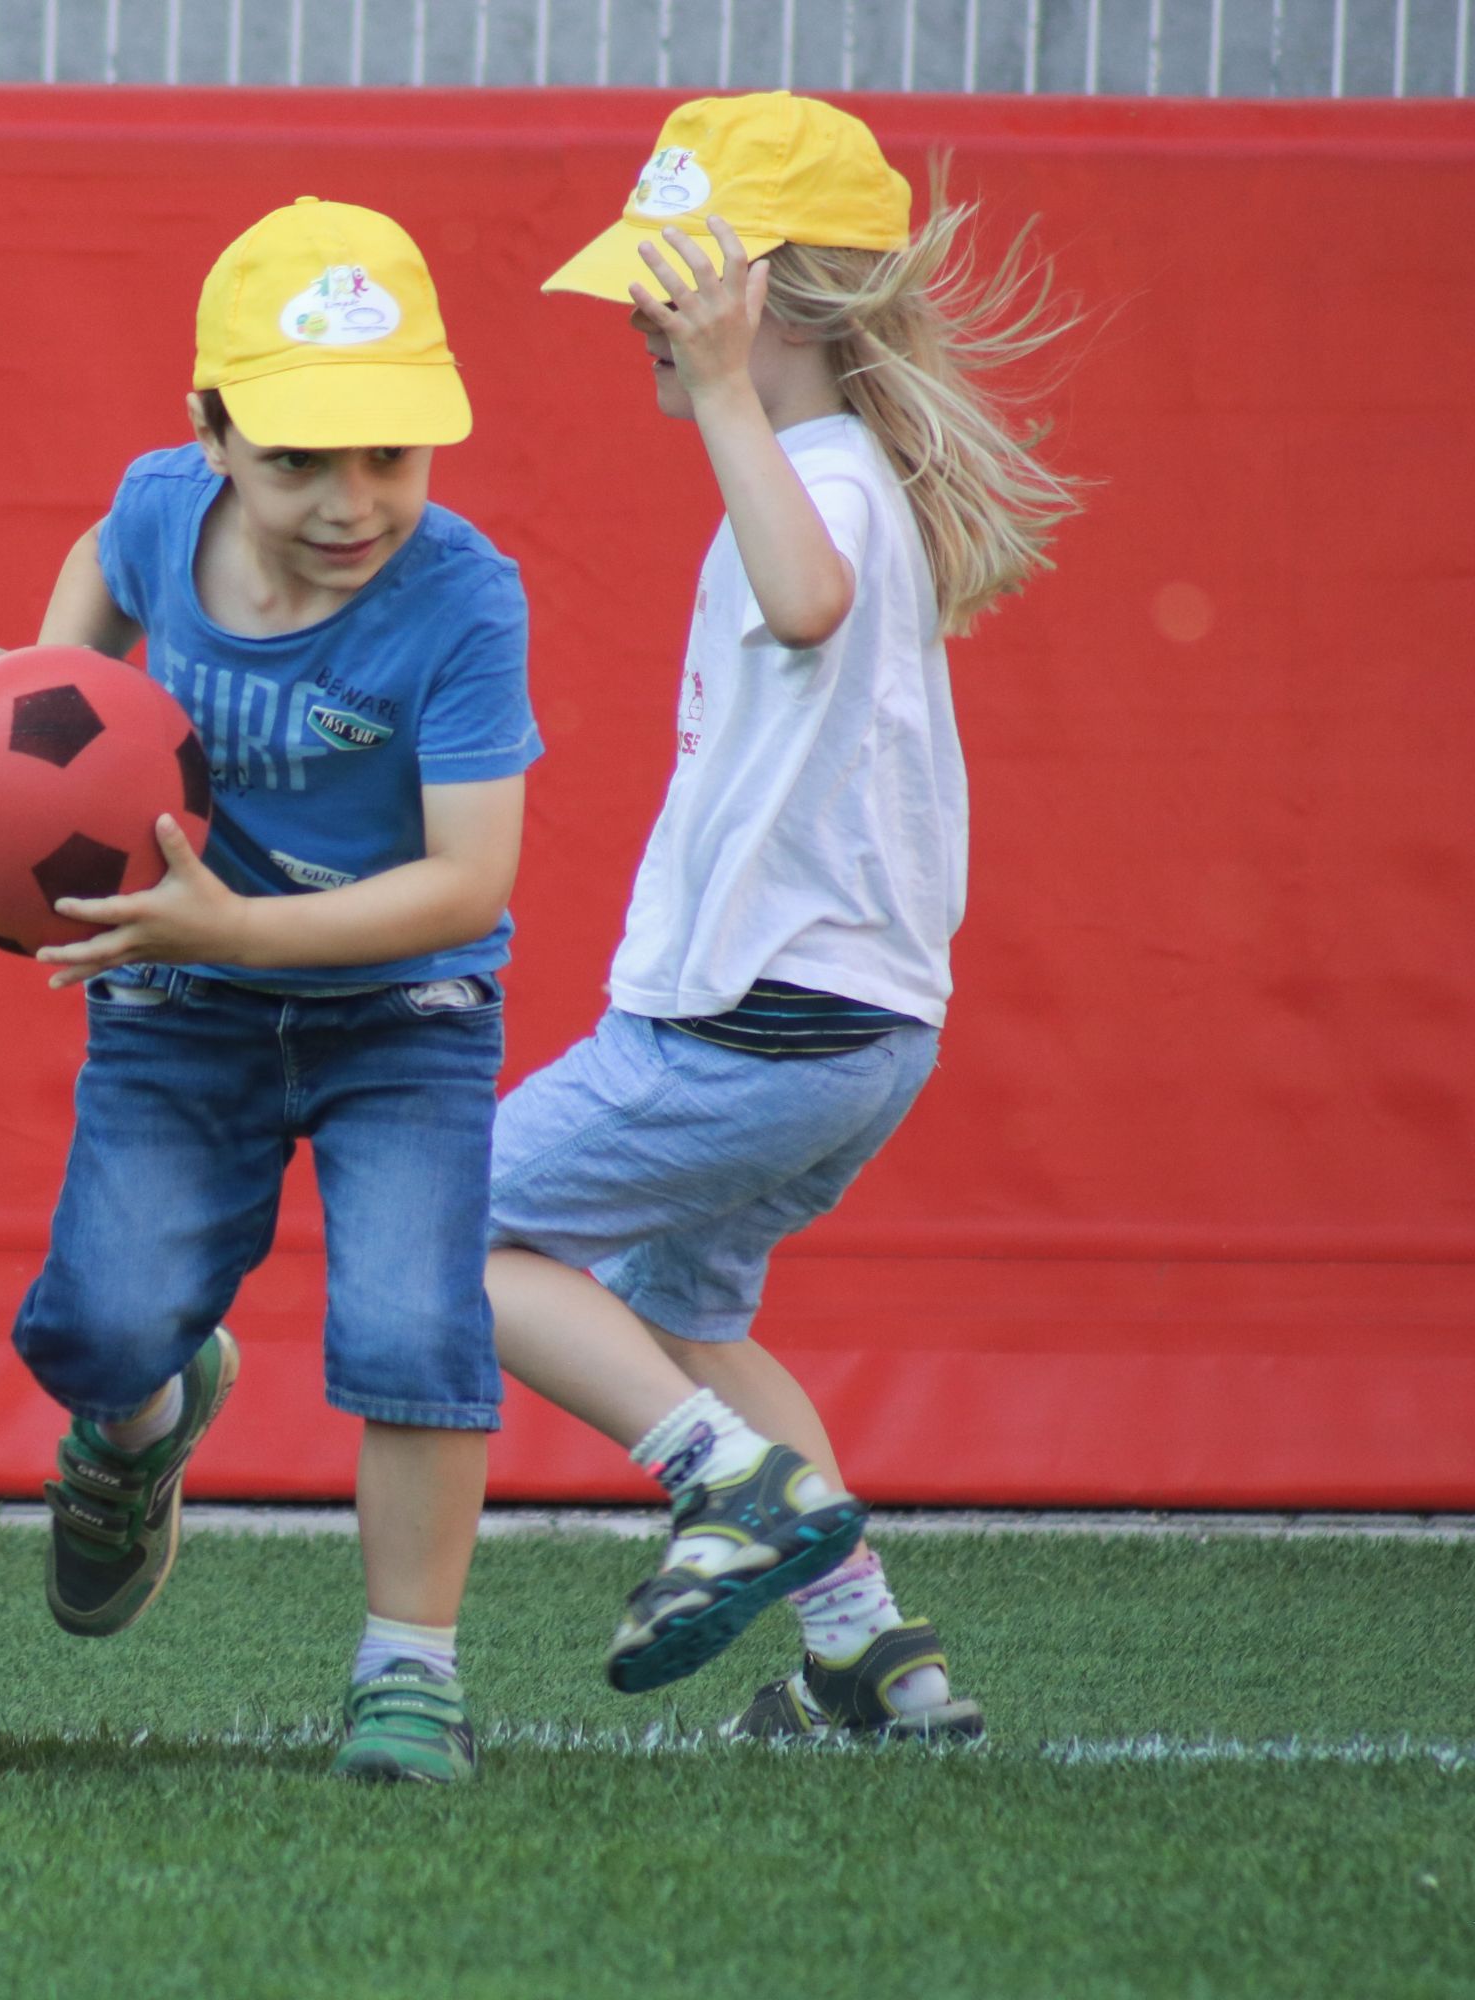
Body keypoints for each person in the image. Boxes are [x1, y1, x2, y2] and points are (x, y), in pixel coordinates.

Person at [493, 90, 1080, 1741]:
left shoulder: (812, 478)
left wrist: (730, 391)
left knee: (441, 1235)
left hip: (751, 1020)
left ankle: (720, 1485)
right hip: (856, 1035)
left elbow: (806, 596)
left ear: (764, 298)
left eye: (669, 287)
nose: (636, 317)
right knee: (685, 1312)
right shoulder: (836, 473)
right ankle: (871, 1659)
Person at [0, 195, 533, 1784]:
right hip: (180, 1007)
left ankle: (410, 1667)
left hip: (404, 1014)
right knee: (95, 1325)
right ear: (212, 433)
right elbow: (103, 553)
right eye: (302, 461)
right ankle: (139, 1434)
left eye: (394, 456)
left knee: (420, 1324)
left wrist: (227, 931)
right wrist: (37, 698)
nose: (355, 504)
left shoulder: (466, 602)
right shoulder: (162, 513)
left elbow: (467, 883)